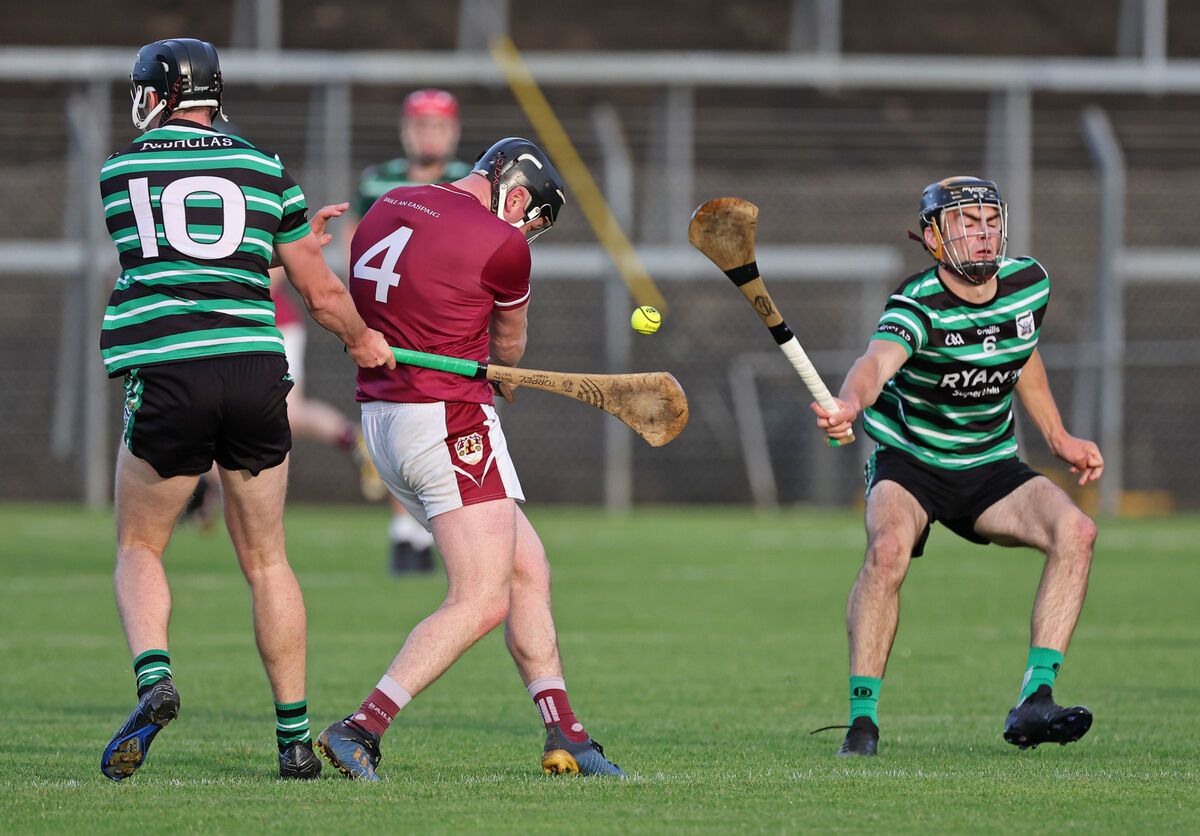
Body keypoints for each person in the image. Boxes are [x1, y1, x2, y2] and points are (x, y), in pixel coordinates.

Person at [98, 38, 394, 781]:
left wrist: (267, 250)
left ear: (161, 93)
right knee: (267, 559)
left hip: (170, 372)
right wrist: (364, 342)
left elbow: (174, 257)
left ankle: (154, 678)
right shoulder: (267, 171)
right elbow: (320, 293)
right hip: (255, 371)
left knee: (140, 545)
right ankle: (294, 741)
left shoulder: (119, 172)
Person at [315, 137, 625, 780]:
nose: (525, 233)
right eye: (530, 218)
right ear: (515, 194)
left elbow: (372, 305)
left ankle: (566, 734)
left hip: (382, 418)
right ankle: (361, 727)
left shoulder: (391, 201)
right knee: (482, 598)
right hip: (447, 420)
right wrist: (504, 373)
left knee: (527, 569)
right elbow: (509, 351)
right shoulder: (504, 244)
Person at [810, 176, 1104, 757]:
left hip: (989, 465)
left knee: (1077, 530)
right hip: (911, 463)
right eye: (967, 223)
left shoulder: (1028, 283)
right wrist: (849, 402)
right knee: (887, 551)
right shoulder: (917, 304)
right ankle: (862, 723)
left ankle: (1035, 699)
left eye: (990, 221)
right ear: (933, 237)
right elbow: (876, 363)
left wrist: (1058, 435)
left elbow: (1020, 352)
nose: (983, 233)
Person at [353, 88, 474, 575]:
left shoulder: (468, 183)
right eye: (421, 125)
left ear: (454, 131)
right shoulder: (377, 181)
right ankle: (408, 535)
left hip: (447, 324)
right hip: (388, 324)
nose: (429, 134)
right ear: (406, 130)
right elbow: (356, 244)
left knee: (449, 427)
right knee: (396, 422)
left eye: (438, 125)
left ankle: (429, 535)